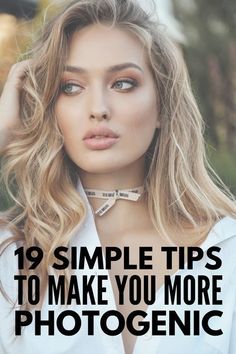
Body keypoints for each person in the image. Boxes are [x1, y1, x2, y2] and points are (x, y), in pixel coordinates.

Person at [0, 0, 236, 353]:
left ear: (162, 104)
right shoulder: (11, 255)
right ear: (47, 104)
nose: (98, 109)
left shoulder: (226, 250)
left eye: (123, 83)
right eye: (70, 87)